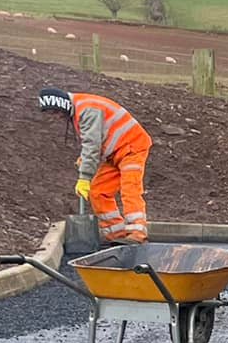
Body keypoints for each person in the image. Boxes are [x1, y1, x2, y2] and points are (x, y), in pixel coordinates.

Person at [37, 87, 151, 243]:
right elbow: (93, 142)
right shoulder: (79, 110)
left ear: (61, 105)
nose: (57, 117)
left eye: (56, 113)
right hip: (114, 154)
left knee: (129, 188)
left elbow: (92, 144)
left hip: (132, 147)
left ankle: (137, 234)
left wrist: (84, 177)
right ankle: (117, 236)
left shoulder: (87, 110)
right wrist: (85, 159)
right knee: (98, 191)